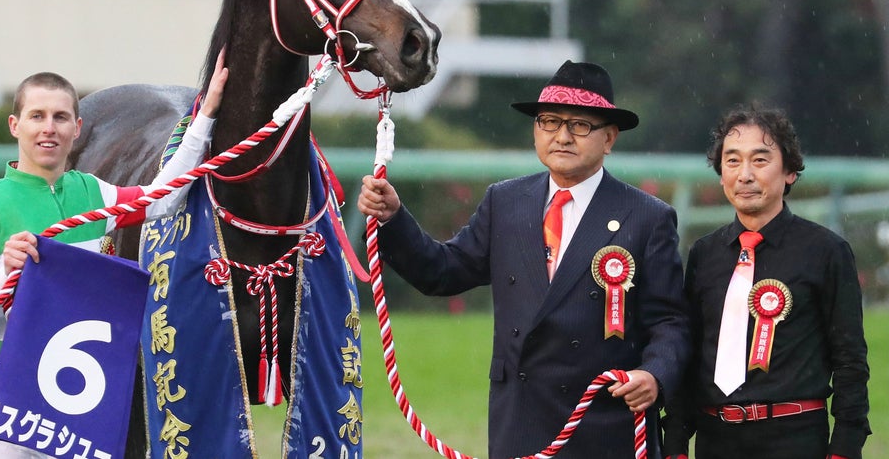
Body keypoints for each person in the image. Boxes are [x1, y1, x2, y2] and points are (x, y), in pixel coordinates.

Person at [357, 60, 690, 459]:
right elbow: (442, 272)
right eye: (549, 122)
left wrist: (653, 375)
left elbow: (670, 321)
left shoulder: (648, 216)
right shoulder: (506, 201)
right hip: (520, 421)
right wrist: (394, 219)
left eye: (580, 125)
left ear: (609, 138)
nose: (562, 136)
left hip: (605, 425)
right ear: (536, 131)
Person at [0, 58, 227, 458]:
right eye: (37, 116)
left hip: (84, 397)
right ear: (14, 125)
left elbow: (165, 197)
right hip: (10, 392)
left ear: (77, 128)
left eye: (60, 117)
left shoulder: (91, 192)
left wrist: (205, 116)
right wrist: (3, 273)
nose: (49, 128)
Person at [662, 105, 870, 459]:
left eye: (760, 160)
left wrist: (845, 447)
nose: (745, 175)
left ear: (789, 171)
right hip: (716, 440)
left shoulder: (825, 251)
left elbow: (850, 359)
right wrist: (675, 443)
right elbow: (691, 353)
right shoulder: (704, 254)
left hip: (795, 438)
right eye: (732, 161)